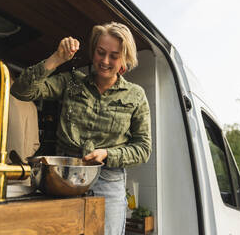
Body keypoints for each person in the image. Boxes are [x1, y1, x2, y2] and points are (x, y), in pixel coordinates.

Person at [11, 21, 152, 235]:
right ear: (93, 51)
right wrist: (56, 59)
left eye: (113, 56)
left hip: (109, 182)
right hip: (63, 178)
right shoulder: (72, 82)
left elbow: (143, 148)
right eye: (100, 52)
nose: (105, 61)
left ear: (125, 58)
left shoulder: (136, 95)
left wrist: (107, 154)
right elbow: (21, 91)